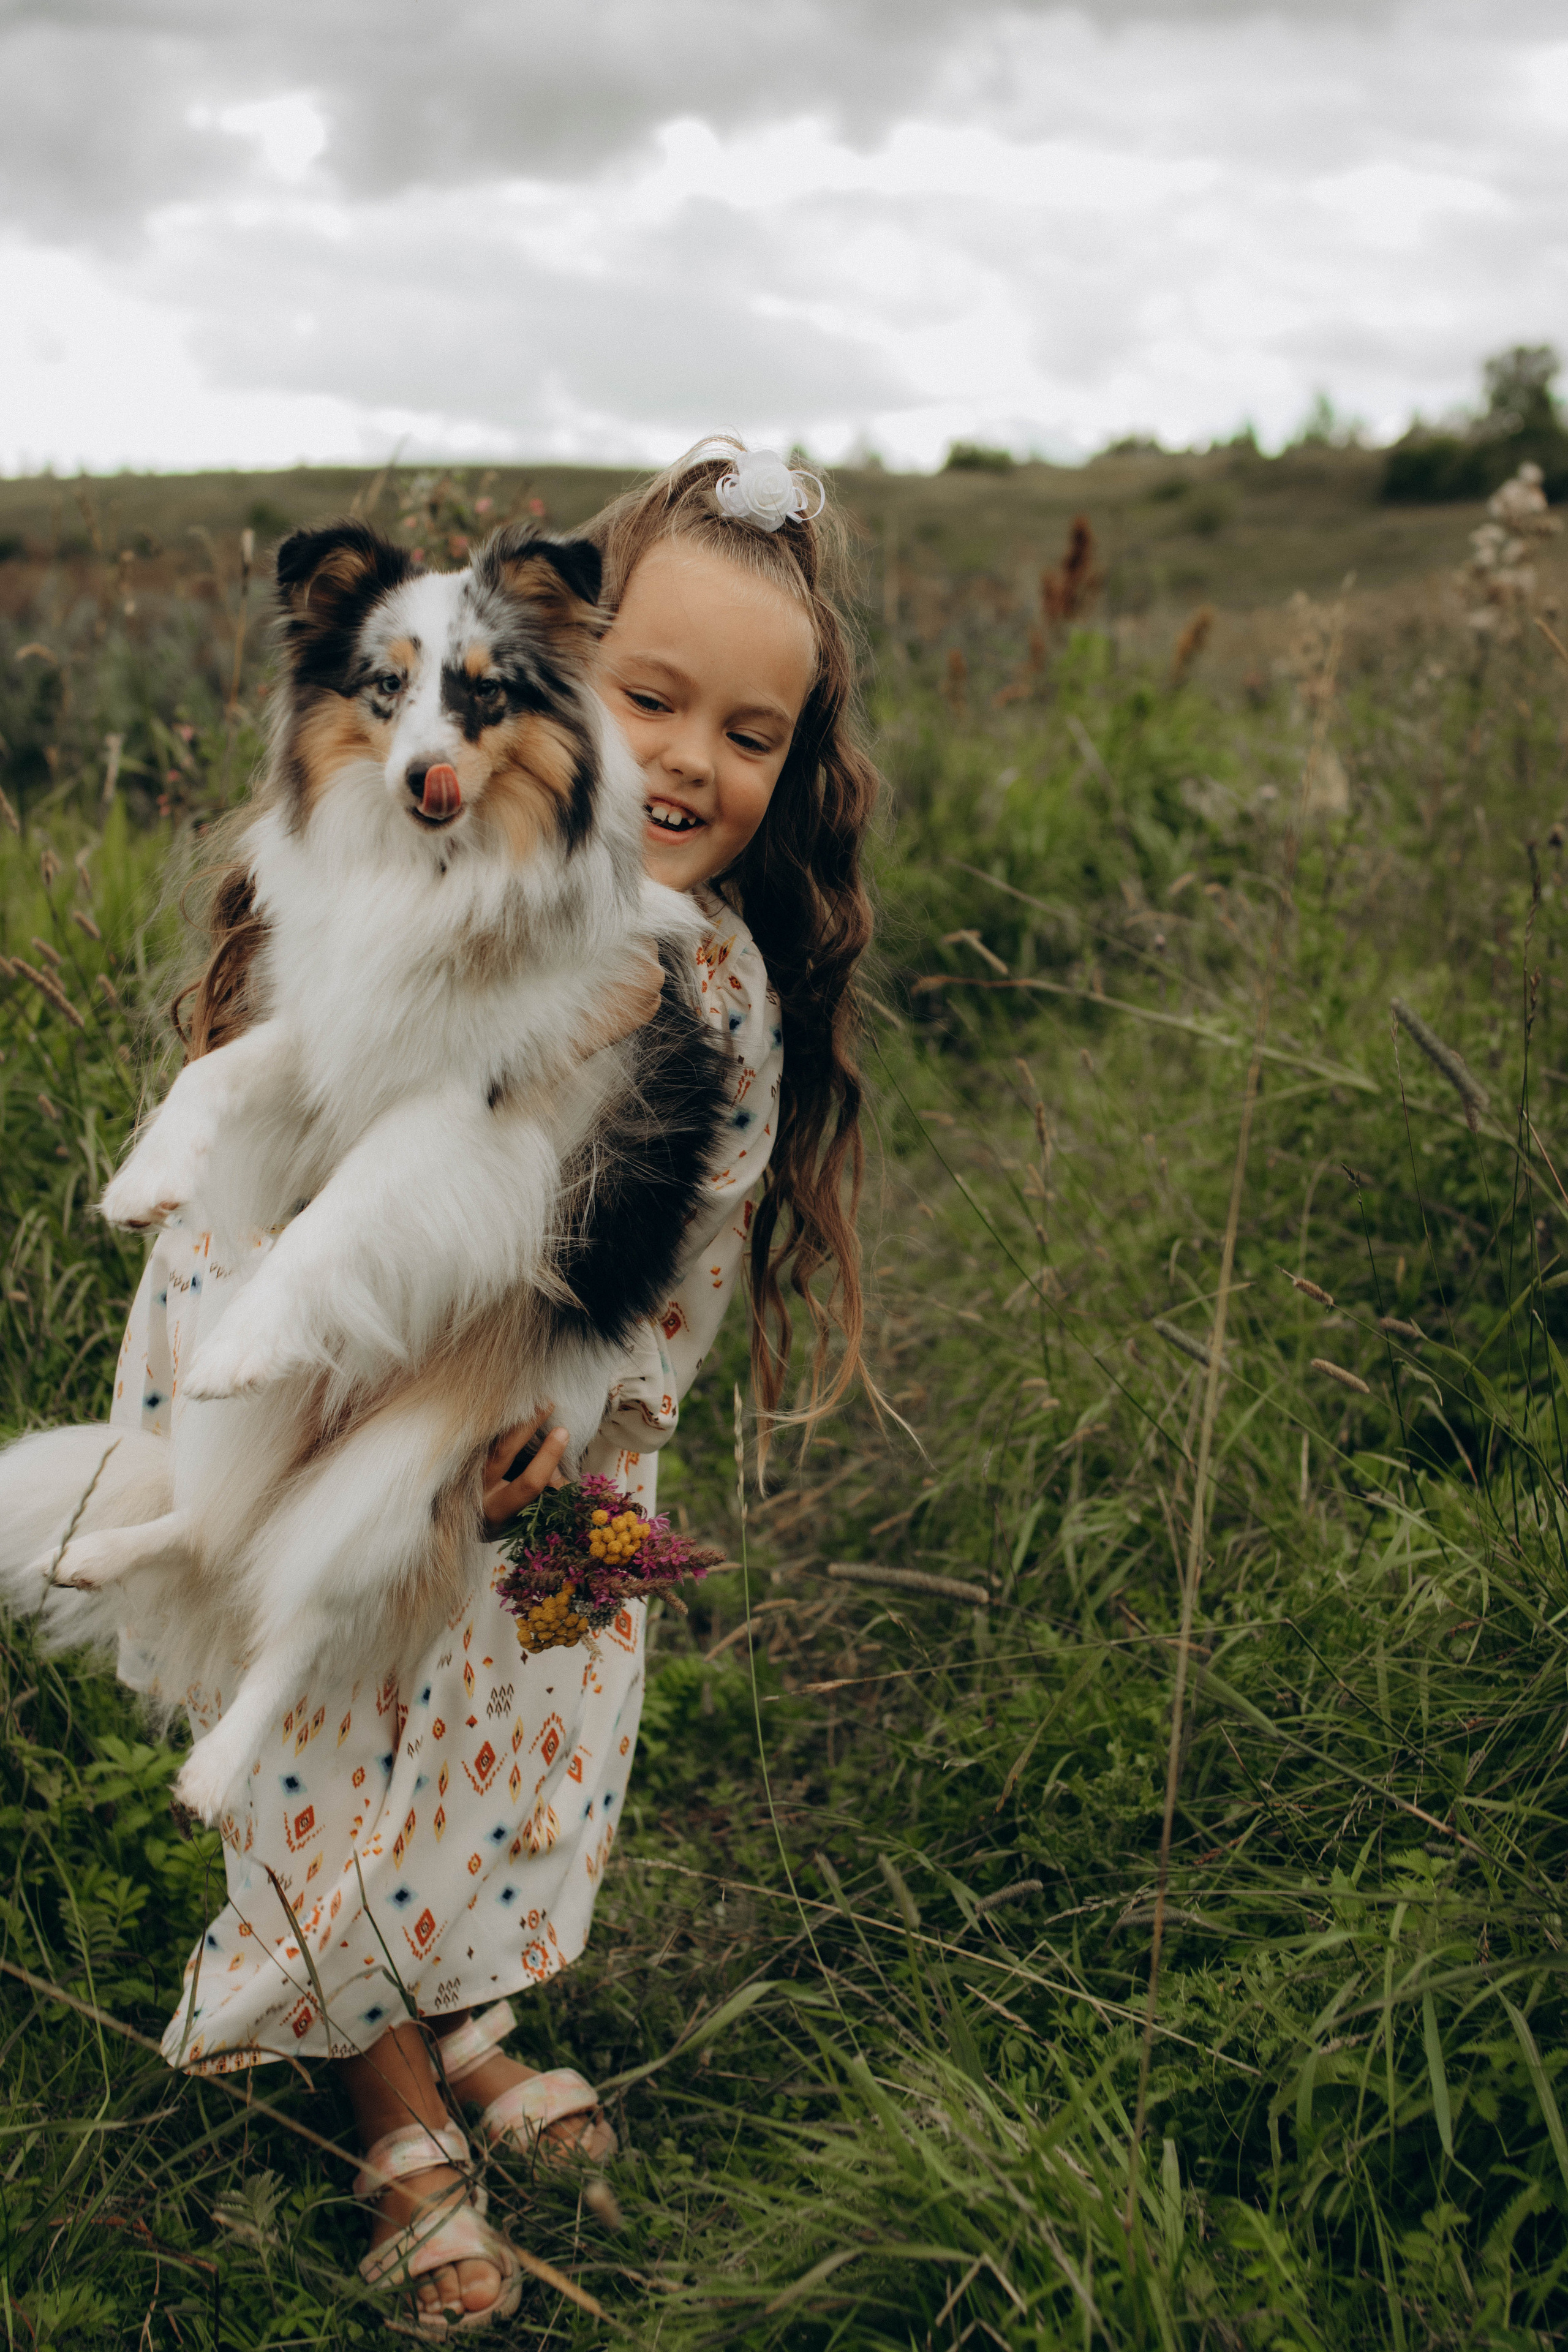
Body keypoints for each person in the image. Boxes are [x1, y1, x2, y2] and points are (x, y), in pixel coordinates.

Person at [107, 437, 879, 2332]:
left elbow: (692, 1230)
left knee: (526, 1718)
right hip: (341, 1393)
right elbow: (311, 1160)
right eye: (652, 699)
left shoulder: (734, 976)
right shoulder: (435, 894)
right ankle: (381, 2101)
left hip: (551, 1429)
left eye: (754, 733)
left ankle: (452, 2004)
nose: (696, 761)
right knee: (354, 1714)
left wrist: (608, 1412)